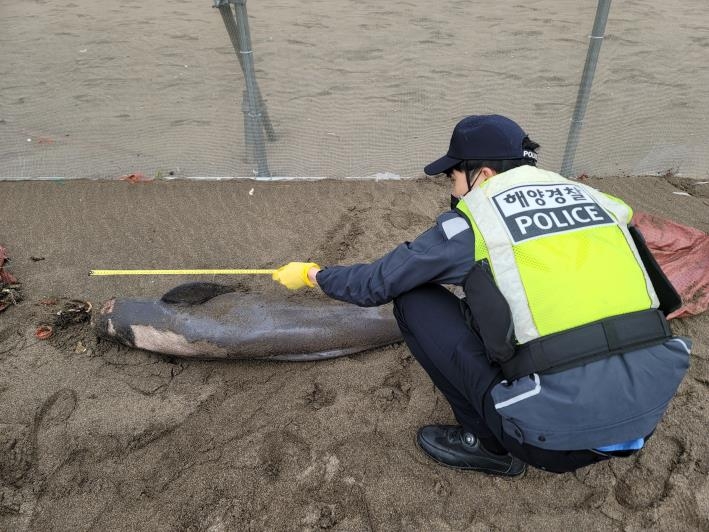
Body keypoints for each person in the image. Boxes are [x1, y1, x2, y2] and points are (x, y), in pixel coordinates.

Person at [271, 114, 691, 477]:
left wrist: (312, 274)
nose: (453, 191)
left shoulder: (478, 220)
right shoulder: (600, 202)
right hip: (644, 416)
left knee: (414, 300)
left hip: (548, 440)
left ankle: (489, 447)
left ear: (484, 175)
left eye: (453, 177)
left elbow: (375, 284)